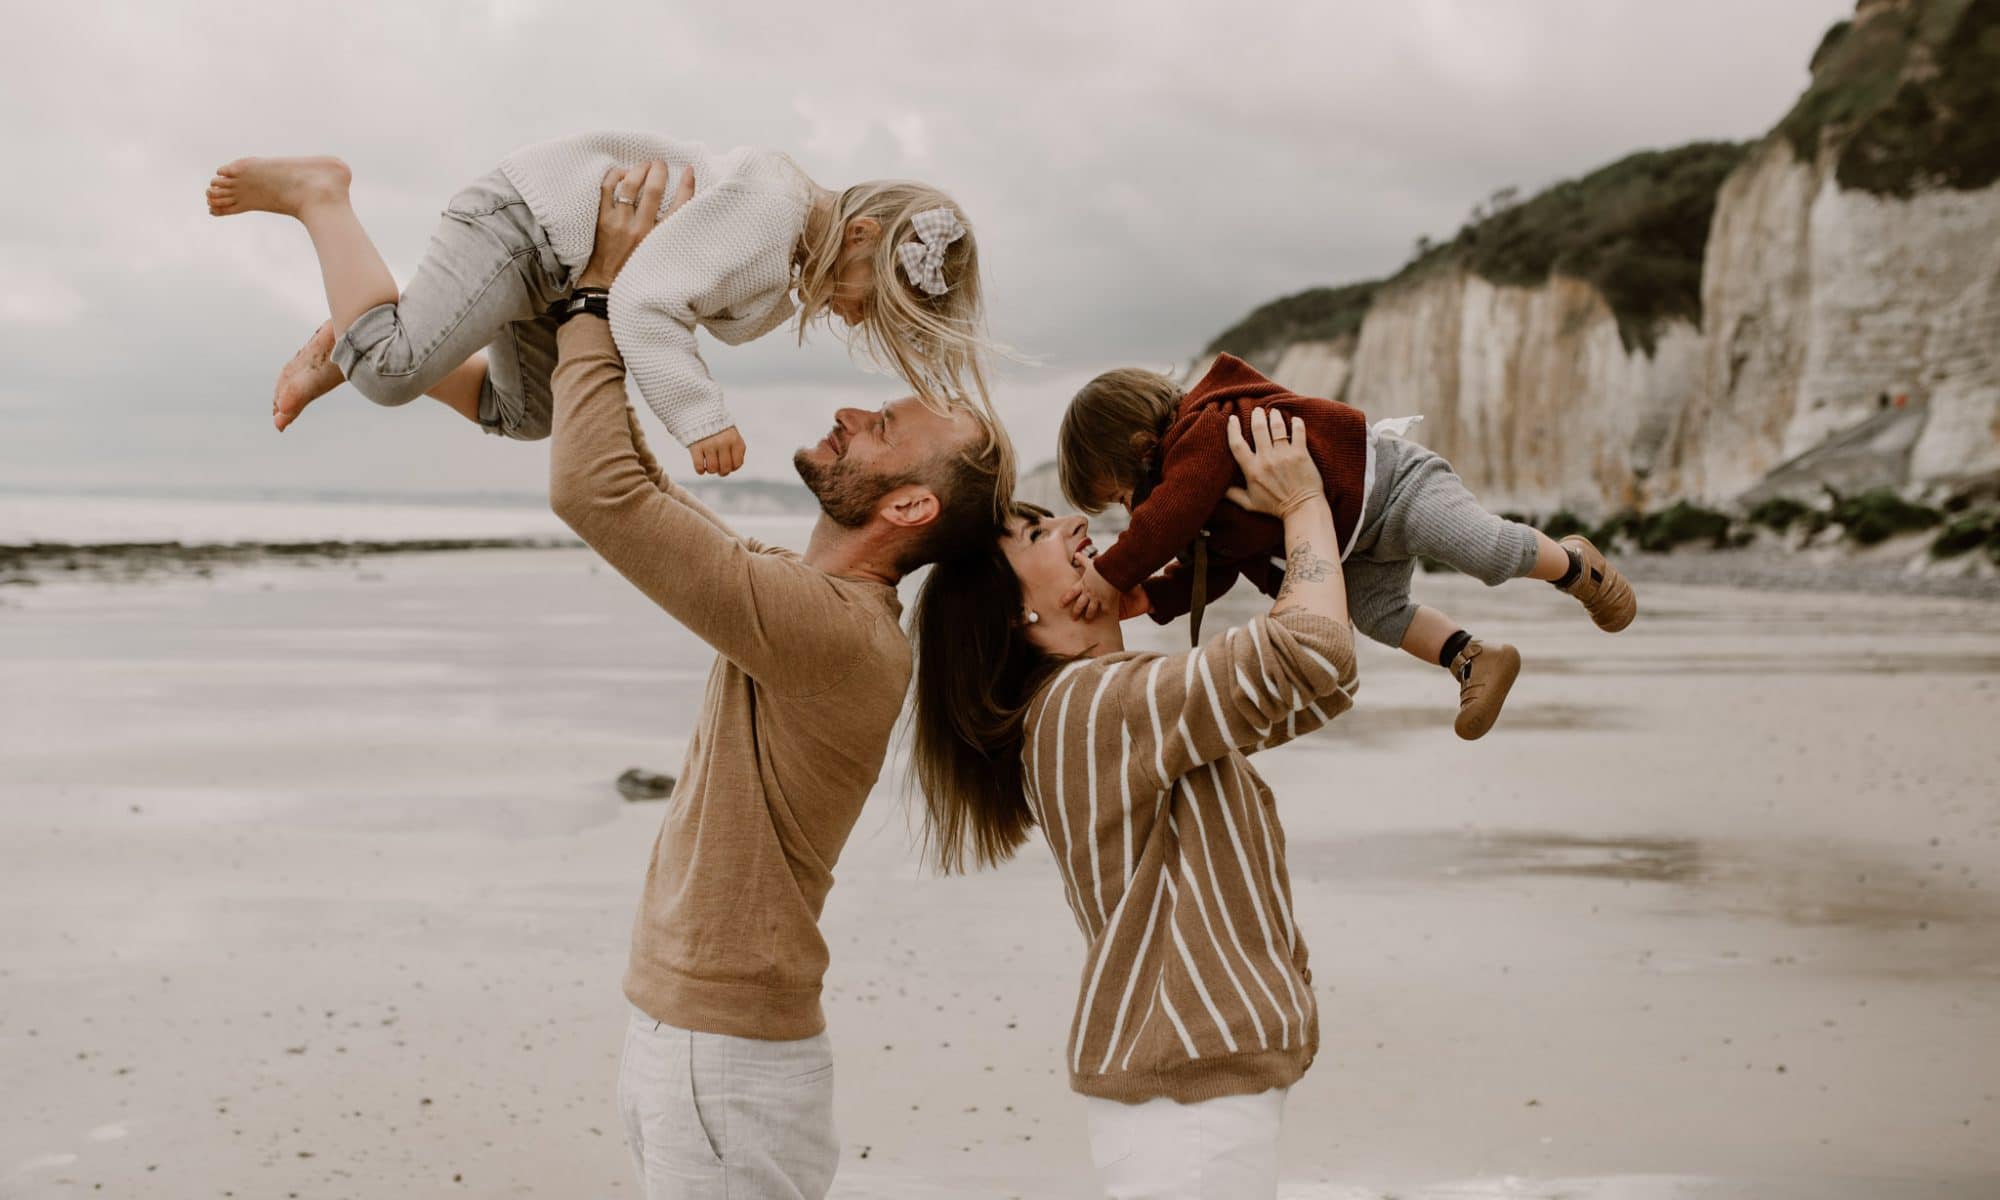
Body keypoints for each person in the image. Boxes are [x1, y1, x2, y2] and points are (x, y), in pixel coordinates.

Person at [550, 162, 1008, 1198]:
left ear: (905, 512)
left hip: (719, 1059)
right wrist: (628, 319)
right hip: (700, 1044)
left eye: (882, 429)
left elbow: (595, 492)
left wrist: (597, 298)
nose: (851, 412)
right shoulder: (810, 609)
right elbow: (635, 485)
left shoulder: (830, 632)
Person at [909, 407, 1357, 1198]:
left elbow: (1325, 685)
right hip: (1183, 1102)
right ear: (1017, 612)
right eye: (1037, 534)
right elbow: (1314, 652)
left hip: (1186, 1091)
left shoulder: (1105, 710)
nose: (1079, 525)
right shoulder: (1092, 707)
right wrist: (1301, 506)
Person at [204, 132, 994, 478]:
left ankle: (372, 322)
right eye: (873, 302)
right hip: (526, 226)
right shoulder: (769, 215)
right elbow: (648, 306)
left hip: (556, 278)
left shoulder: (784, 260)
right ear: (857, 235)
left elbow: (666, 296)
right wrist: (699, 416)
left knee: (526, 415)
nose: (857, 319)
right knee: (388, 372)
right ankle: (321, 199)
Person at [1053, 354, 1637, 739]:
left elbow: (1162, 522)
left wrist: (1108, 574)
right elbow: (1213, 572)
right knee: (1377, 614)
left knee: (1483, 549)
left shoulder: (1206, 433)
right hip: (1349, 549)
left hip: (1393, 488)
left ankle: (1575, 566)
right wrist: (1150, 598)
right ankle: (1472, 657)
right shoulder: (1200, 512)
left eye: (1122, 493)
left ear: (1140, 445)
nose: (1132, 509)